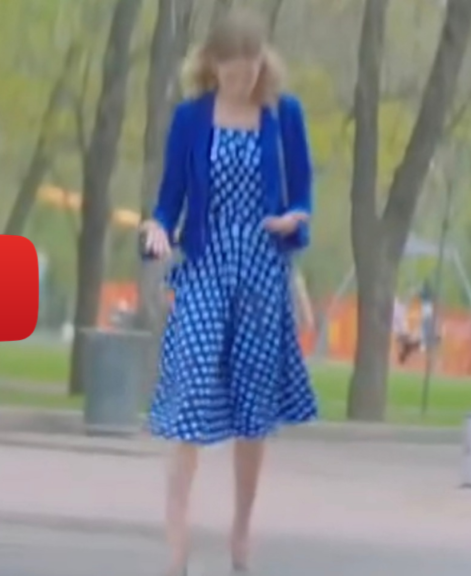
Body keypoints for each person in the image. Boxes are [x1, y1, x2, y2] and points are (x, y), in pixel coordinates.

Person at [139, 9, 318, 575]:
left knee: (252, 409)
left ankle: (241, 529)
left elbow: (302, 193)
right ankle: (177, 538)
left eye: (252, 70)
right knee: (190, 385)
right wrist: (156, 229)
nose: (243, 81)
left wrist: (295, 220)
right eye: (234, 72)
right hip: (207, 266)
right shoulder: (191, 118)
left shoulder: (284, 114)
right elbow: (169, 200)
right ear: (213, 65)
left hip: (262, 268)